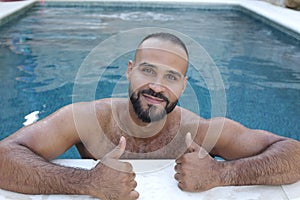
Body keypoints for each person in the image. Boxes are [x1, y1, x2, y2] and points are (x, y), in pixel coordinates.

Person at [0, 32, 299, 200]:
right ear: (130, 70)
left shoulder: (197, 129)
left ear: (183, 85)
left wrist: (220, 174)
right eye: (147, 71)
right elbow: (5, 155)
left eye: (171, 77)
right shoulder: (88, 119)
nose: (156, 86)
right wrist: (87, 182)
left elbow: (293, 153)